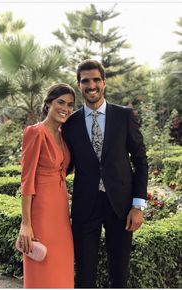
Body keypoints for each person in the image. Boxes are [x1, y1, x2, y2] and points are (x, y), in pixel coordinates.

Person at [62, 60, 148, 288]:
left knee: (119, 274)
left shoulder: (124, 116)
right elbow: (64, 166)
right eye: (85, 81)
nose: (91, 85)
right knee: (84, 276)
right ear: (79, 85)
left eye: (96, 80)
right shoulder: (70, 124)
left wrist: (138, 206)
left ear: (104, 83)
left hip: (120, 206)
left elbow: (140, 161)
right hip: (85, 206)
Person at [15, 83, 75, 288]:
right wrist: (26, 223)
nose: (65, 108)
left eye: (70, 105)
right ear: (48, 103)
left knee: (62, 268)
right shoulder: (35, 132)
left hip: (61, 212)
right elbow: (27, 180)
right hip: (41, 213)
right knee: (42, 270)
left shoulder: (63, 134)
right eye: (60, 102)